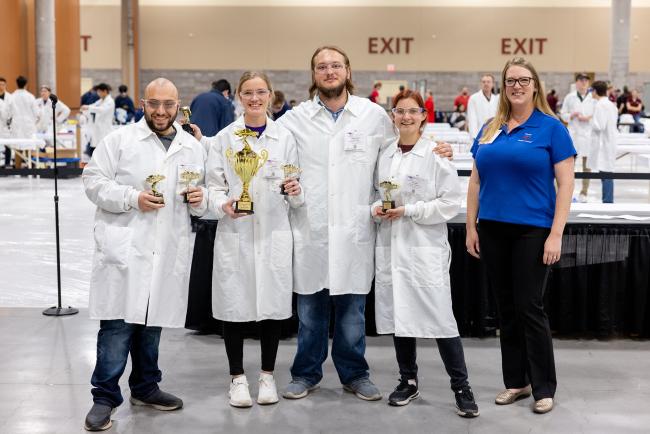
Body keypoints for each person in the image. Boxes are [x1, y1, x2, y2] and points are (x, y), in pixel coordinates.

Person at [276, 46, 452, 402]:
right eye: (322, 67)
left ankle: (355, 373)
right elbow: (263, 144)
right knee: (310, 313)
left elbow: (403, 144)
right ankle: (305, 373)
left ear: (348, 71)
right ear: (314, 74)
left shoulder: (372, 116)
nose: (329, 72)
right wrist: (203, 141)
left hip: (355, 229)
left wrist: (437, 147)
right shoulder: (295, 119)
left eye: (335, 65)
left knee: (352, 315)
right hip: (311, 227)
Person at [81, 78, 207, 431]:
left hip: (165, 250)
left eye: (168, 104)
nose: (161, 111)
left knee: (152, 325)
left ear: (179, 105)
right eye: (154, 104)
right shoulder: (120, 140)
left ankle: (145, 387)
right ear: (143, 104)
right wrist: (132, 198)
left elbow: (203, 193)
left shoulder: (191, 147)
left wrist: (200, 200)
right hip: (126, 247)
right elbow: (93, 181)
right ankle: (104, 397)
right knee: (117, 327)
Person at [466, 57, 575, 415]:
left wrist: (556, 234)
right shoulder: (490, 127)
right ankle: (516, 381)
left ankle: (543, 386)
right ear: (503, 86)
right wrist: (471, 226)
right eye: (511, 80)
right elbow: (475, 181)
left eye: (523, 80)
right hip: (492, 228)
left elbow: (566, 185)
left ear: (535, 85)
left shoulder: (551, 128)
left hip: (533, 229)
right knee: (506, 309)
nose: (517, 86)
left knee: (529, 306)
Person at [373, 90, 479, 418]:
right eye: (399, 111)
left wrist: (409, 210)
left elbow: (449, 203)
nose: (405, 117)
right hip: (393, 246)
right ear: (392, 116)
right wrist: (377, 208)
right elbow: (377, 193)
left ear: (423, 115)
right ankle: (408, 380)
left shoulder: (436, 153)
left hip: (424, 247)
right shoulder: (385, 153)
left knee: (441, 318)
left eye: (412, 111)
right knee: (400, 317)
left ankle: (461, 386)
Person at [203, 71, 304, 408]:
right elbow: (213, 186)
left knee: (272, 307)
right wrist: (222, 204)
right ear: (239, 97)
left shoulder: (284, 137)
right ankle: (237, 378)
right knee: (233, 305)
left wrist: (295, 190)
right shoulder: (225, 138)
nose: (255, 98)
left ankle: (267, 376)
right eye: (248, 92)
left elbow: (295, 185)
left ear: (270, 95)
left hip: (273, 231)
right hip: (237, 232)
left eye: (261, 92)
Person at [560, 73, 593, 203]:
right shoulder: (570, 97)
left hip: (588, 135)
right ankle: (568, 192)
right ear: (577, 82)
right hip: (574, 134)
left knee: (587, 166)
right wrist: (571, 115)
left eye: (586, 80)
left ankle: (584, 192)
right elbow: (563, 114)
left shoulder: (592, 97)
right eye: (581, 80)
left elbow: (597, 115)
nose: (584, 82)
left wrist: (588, 118)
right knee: (569, 166)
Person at [590, 81, 619, 203]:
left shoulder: (600, 105)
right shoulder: (611, 104)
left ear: (595, 91)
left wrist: (590, 120)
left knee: (606, 173)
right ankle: (607, 200)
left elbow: (600, 125)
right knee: (606, 171)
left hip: (604, 143)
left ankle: (607, 202)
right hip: (609, 142)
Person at [81, 83, 115, 157]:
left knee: (104, 149)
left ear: (105, 91)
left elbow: (102, 110)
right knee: (96, 147)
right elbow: (94, 105)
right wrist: (87, 106)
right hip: (98, 128)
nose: (98, 94)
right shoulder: (101, 100)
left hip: (105, 128)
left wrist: (89, 108)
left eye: (99, 92)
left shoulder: (110, 101)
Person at [467, 74, 498, 140]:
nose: (486, 84)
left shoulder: (496, 99)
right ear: (481, 84)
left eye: (488, 82)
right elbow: (472, 119)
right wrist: (474, 137)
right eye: (483, 82)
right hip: (479, 135)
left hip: (494, 135)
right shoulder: (473, 98)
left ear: (493, 84)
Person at [0, 77, 14, 168]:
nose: (1, 86)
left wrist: (10, 122)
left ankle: (7, 164)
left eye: (3, 84)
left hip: (6, 126)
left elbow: (13, 111)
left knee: (7, 145)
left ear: (5, 85)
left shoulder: (10, 97)